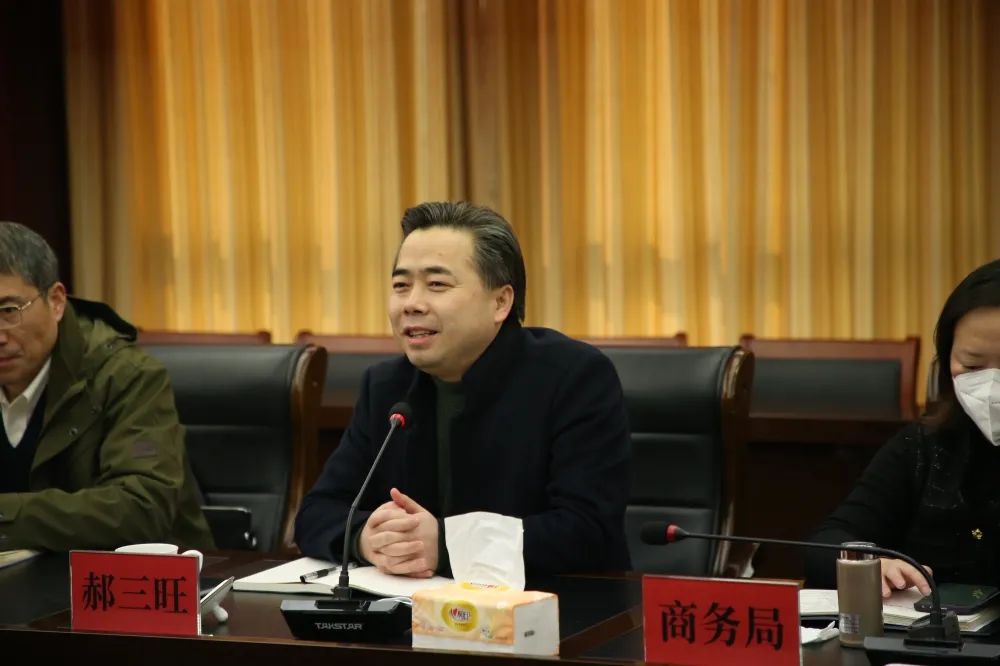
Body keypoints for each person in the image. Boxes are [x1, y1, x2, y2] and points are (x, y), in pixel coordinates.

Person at [295, 201, 631, 577]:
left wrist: (447, 545)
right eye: (401, 286)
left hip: (554, 605)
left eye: (437, 284)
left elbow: (587, 532)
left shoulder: (574, 377)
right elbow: (316, 512)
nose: (412, 304)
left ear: (500, 302)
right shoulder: (387, 386)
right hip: (408, 607)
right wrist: (365, 538)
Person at [0, 221, 213, 551]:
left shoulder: (127, 375)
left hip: (140, 574)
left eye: (8, 311)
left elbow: (141, 509)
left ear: (56, 301)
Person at [806, 258, 1000, 597]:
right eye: (972, 365)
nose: (992, 384)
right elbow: (826, 545)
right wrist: (870, 564)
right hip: (934, 630)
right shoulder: (925, 445)